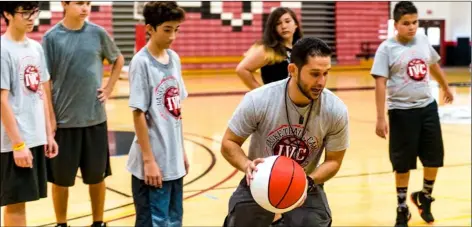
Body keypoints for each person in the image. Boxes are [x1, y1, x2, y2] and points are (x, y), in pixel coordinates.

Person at [221, 37, 349, 227]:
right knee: (241, 220)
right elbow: (229, 142)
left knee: (313, 222)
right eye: (314, 74)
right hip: (259, 181)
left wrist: (308, 181)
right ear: (293, 70)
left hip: (306, 182)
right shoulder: (259, 99)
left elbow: (334, 161)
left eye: (325, 74)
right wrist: (246, 165)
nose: (321, 82)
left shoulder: (335, 109)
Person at [41, 1, 124, 227]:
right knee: (60, 180)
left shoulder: (98, 33)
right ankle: (61, 223)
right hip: (64, 123)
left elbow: (118, 59)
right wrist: (50, 119)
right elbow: (44, 80)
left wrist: (108, 89)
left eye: (87, 3)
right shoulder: (51, 38)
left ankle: (98, 222)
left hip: (95, 120)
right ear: (64, 4)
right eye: (79, 3)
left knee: (97, 177)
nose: (85, 7)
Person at [371, 1, 454, 227]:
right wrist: (380, 117)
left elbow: (434, 65)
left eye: (415, 22)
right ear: (395, 24)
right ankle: (401, 207)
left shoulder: (424, 41)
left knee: (434, 158)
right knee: (402, 164)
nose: (411, 27)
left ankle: (425, 197)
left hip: (427, 108)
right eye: (406, 23)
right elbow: (380, 83)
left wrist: (445, 86)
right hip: (401, 112)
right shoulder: (386, 49)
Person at [126, 2, 189, 227]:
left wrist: (180, 150)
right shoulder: (141, 62)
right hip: (153, 164)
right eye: (167, 30)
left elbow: (176, 113)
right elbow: (138, 114)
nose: (173, 36)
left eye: (176, 30)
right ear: (150, 29)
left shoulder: (174, 59)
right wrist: (149, 161)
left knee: (173, 221)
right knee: (153, 222)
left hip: (173, 163)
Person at [0, 2, 59, 226]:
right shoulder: (3, 49)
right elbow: (1, 100)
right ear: (7, 14)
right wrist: (17, 144)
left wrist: (48, 134)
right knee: (15, 205)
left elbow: (41, 94)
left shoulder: (35, 48)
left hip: (34, 137)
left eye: (33, 12)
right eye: (24, 13)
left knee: (23, 201)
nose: (31, 17)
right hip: (14, 141)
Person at [236, 7, 303, 90]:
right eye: (278, 23)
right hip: (276, 101)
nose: (284, 26)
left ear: (296, 24)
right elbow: (241, 70)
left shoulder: (300, 49)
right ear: (273, 28)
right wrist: (261, 93)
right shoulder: (268, 49)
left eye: (287, 21)